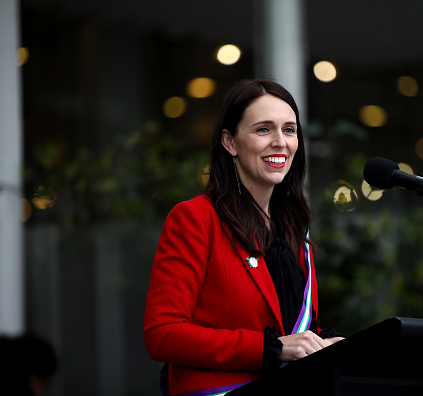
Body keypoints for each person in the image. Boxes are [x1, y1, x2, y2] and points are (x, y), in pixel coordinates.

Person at [143, 79, 344, 396]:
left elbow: (290, 331)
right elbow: (162, 334)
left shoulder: (294, 228)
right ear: (230, 142)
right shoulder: (196, 218)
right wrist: (272, 348)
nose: (280, 142)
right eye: (263, 129)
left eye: (289, 130)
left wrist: (326, 342)